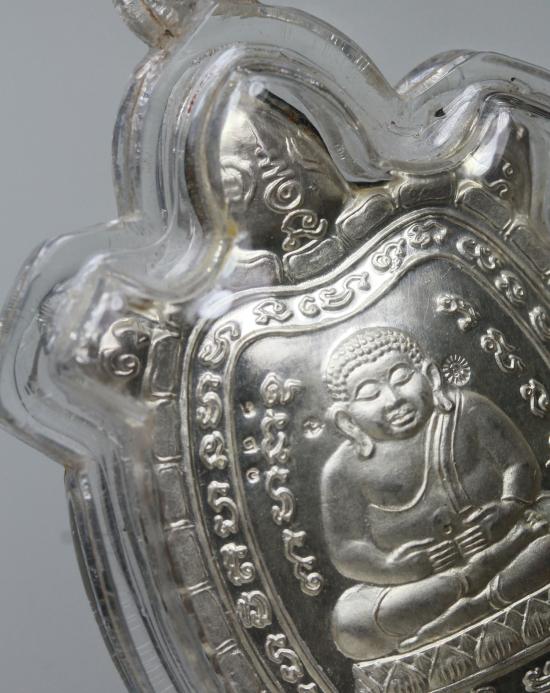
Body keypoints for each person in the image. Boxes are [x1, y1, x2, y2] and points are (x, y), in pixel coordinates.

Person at [321, 327, 550, 661]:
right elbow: (347, 550)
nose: (393, 399)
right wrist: (392, 568)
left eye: (402, 378)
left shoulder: (467, 410)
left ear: (430, 375)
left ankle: (474, 607)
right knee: (349, 623)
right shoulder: (342, 471)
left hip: (514, 539)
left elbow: (520, 465)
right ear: (346, 419)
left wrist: (509, 508)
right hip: (430, 585)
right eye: (369, 394)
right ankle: (473, 584)